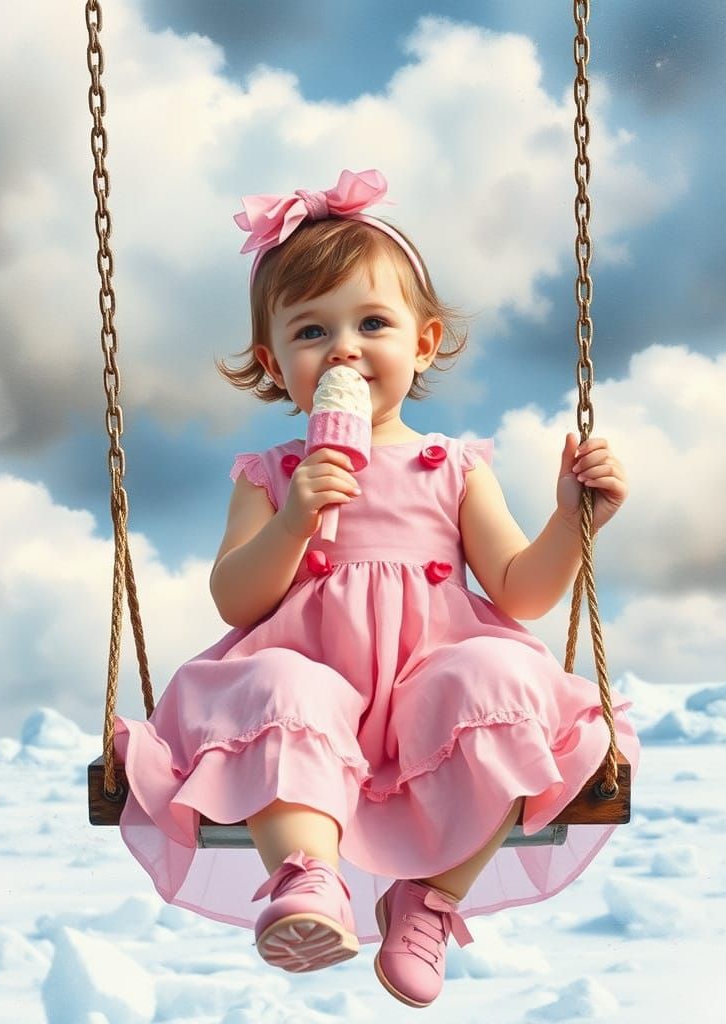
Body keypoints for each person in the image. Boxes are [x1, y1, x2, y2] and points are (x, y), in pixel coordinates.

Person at [114, 168, 640, 1009]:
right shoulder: (270, 474)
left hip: (430, 691)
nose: (345, 349)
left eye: (372, 324)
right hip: (311, 680)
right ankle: (306, 877)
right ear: (274, 361)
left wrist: (573, 521)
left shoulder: (455, 467)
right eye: (313, 332)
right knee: (280, 691)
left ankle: (429, 902)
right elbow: (236, 601)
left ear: (423, 343)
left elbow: (520, 590)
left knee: (501, 683)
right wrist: (293, 518)